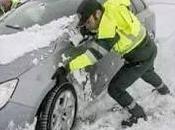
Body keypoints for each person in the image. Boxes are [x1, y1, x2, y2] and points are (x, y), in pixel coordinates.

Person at [55, 0, 170, 127]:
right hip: (148, 48)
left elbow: (93, 55)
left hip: (139, 57)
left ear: (97, 14)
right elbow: (111, 26)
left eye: (88, 22)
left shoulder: (107, 29)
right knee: (147, 71)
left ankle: (138, 114)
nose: (87, 26)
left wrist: (68, 67)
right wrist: (89, 31)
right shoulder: (110, 8)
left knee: (115, 88)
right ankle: (164, 90)